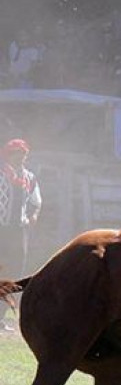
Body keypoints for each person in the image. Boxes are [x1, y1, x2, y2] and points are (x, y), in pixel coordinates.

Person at [0, 138, 40, 332]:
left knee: (14, 273)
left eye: (23, 154)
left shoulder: (30, 178)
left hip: (18, 232)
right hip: (1, 229)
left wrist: (33, 217)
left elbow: (36, 202)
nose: (21, 158)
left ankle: (1, 316)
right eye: (17, 154)